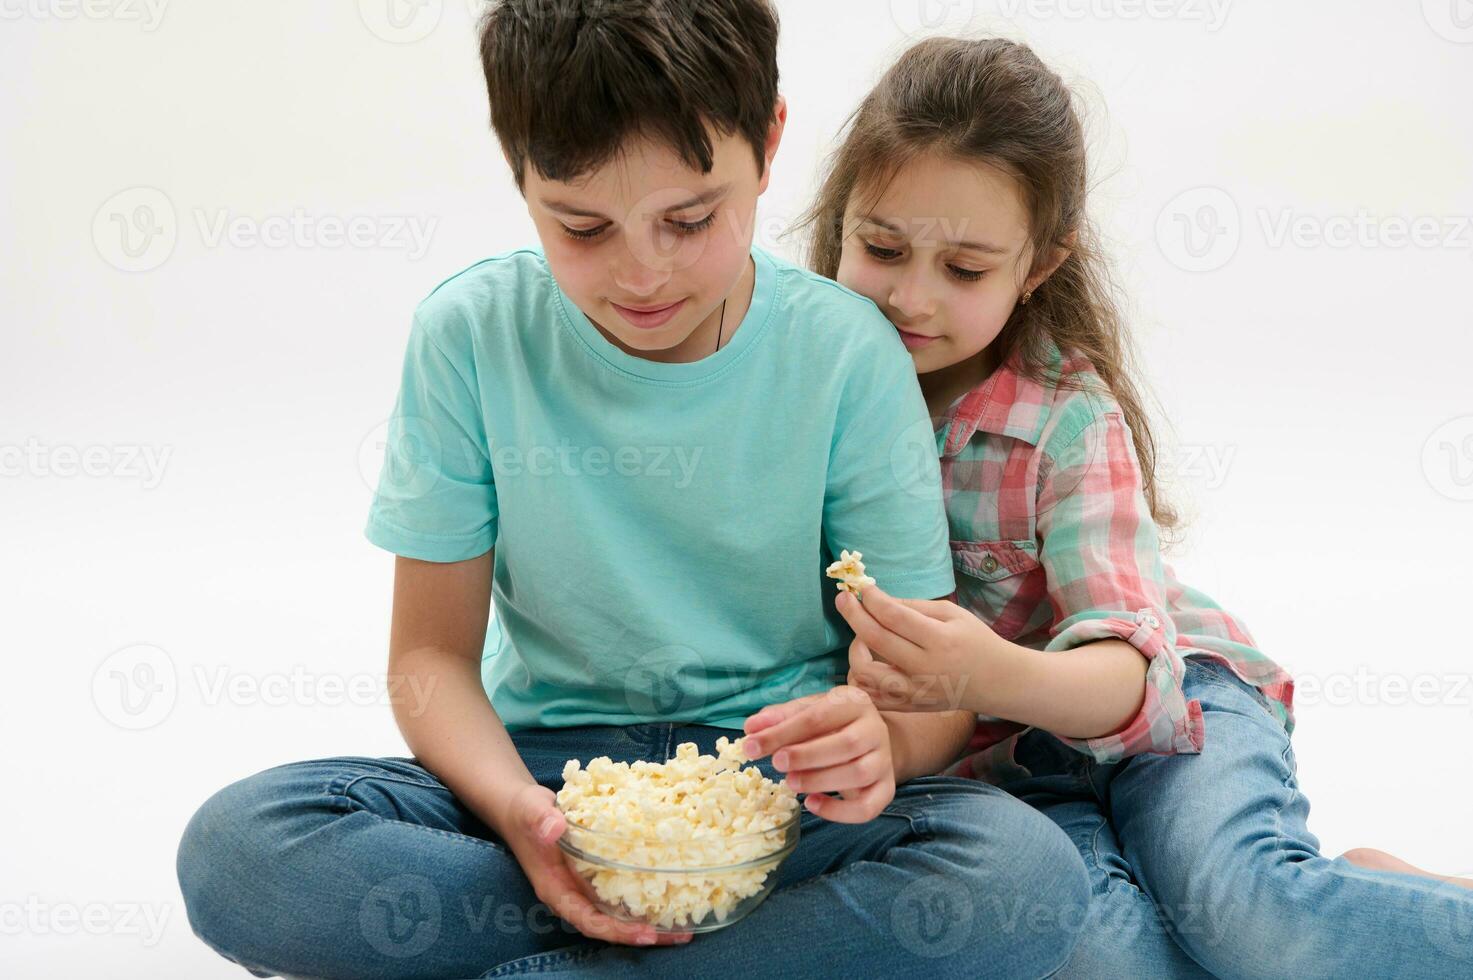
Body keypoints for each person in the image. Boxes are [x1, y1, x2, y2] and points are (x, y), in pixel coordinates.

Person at [175, 6, 1090, 978]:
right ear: (519, 171)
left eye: (690, 219)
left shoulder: (846, 352)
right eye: (582, 226)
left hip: (777, 789)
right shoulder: (469, 338)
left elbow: (928, 685)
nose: (642, 271)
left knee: (1020, 872)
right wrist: (518, 816)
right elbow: (431, 657)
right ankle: (704, 951)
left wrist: (884, 745)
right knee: (239, 851)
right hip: (547, 775)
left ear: (771, 142)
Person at [813, 34, 1473, 980]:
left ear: (1037, 267)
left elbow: (1133, 678)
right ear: (841, 223)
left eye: (964, 270)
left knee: (1249, 911)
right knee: (1105, 961)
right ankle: (1359, 908)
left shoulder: (1065, 420)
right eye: (880, 248)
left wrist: (982, 672)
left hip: (1171, 711)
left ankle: (1325, 908)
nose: (909, 298)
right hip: (1013, 775)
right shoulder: (807, 389)